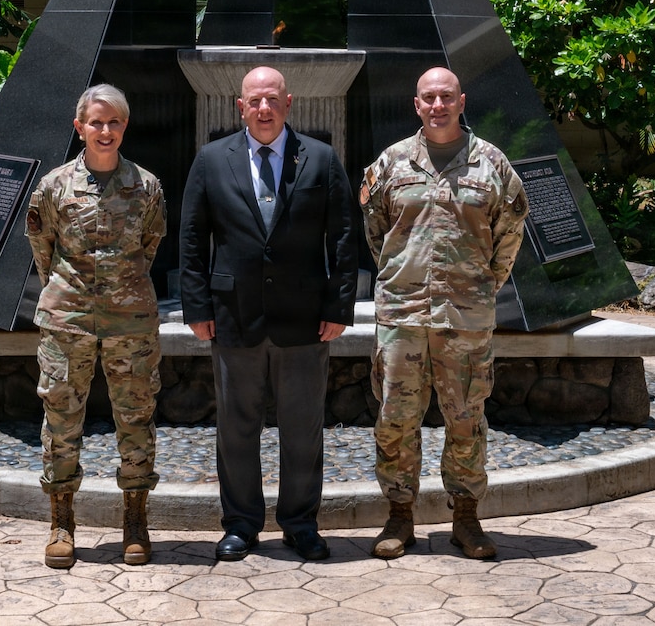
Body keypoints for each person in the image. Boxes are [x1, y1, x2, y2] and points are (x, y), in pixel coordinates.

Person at [179, 65, 358, 562]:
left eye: (272, 99)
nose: (263, 108)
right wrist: (196, 306)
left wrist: (339, 305)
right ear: (241, 106)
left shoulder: (320, 159)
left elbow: (343, 237)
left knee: (303, 428)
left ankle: (300, 523)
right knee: (237, 428)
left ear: (288, 102)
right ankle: (241, 523)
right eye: (254, 100)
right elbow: (192, 239)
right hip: (233, 315)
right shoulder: (213, 159)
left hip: (304, 319)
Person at [359, 66, 529, 560]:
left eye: (446, 97)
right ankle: (399, 516)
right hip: (403, 316)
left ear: (461, 101)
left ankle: (466, 519)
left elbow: (510, 233)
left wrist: (481, 286)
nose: (437, 105)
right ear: (417, 105)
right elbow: (377, 232)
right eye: (429, 98)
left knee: (466, 418)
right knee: (395, 417)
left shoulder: (491, 164)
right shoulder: (390, 164)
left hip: (465, 319)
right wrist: (400, 276)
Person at [25, 83, 167, 569]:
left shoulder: (147, 187)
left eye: (114, 123)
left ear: (124, 127)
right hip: (68, 323)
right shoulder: (52, 187)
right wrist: (72, 295)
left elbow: (150, 247)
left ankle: (135, 520)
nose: (105, 131)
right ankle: (61, 522)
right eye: (96, 122)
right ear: (79, 127)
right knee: (62, 422)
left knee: (136, 418)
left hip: (132, 324)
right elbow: (43, 250)